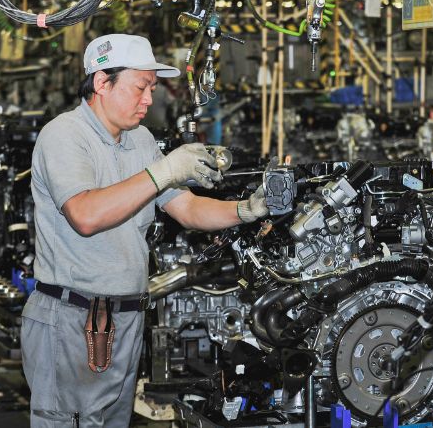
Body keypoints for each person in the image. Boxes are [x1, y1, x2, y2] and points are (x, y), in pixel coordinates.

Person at [20, 34, 268, 427]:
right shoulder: (64, 136)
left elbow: (187, 208)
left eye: (152, 88)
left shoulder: (140, 141)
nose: (149, 99)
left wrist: (246, 210)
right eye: (141, 87)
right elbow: (85, 215)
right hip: (71, 319)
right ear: (102, 83)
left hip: (126, 319)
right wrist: (163, 170)